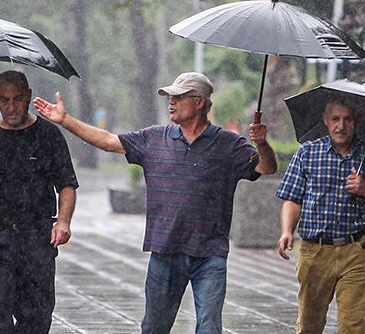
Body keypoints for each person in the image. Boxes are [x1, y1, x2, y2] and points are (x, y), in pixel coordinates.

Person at [33, 71, 277, 334]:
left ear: (199, 102)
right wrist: (66, 120)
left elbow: (266, 167)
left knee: (209, 326)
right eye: (169, 97)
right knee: (154, 327)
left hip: (210, 253)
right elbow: (107, 142)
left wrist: (262, 144)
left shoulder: (228, 144)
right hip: (166, 250)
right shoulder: (154, 138)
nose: (170, 102)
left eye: (178, 97)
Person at [0, 70, 78, 334]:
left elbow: (67, 185)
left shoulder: (48, 136)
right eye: (4, 100)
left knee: (36, 318)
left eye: (17, 99)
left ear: (28, 97)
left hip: (36, 237)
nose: (11, 107)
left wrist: (63, 222)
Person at [275, 98, 365, 334]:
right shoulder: (307, 153)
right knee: (310, 324)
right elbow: (292, 198)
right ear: (326, 121)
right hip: (315, 251)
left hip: (357, 250)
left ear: (356, 122)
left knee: (353, 325)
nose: (341, 125)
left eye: (347, 119)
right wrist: (287, 231)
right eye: (336, 119)